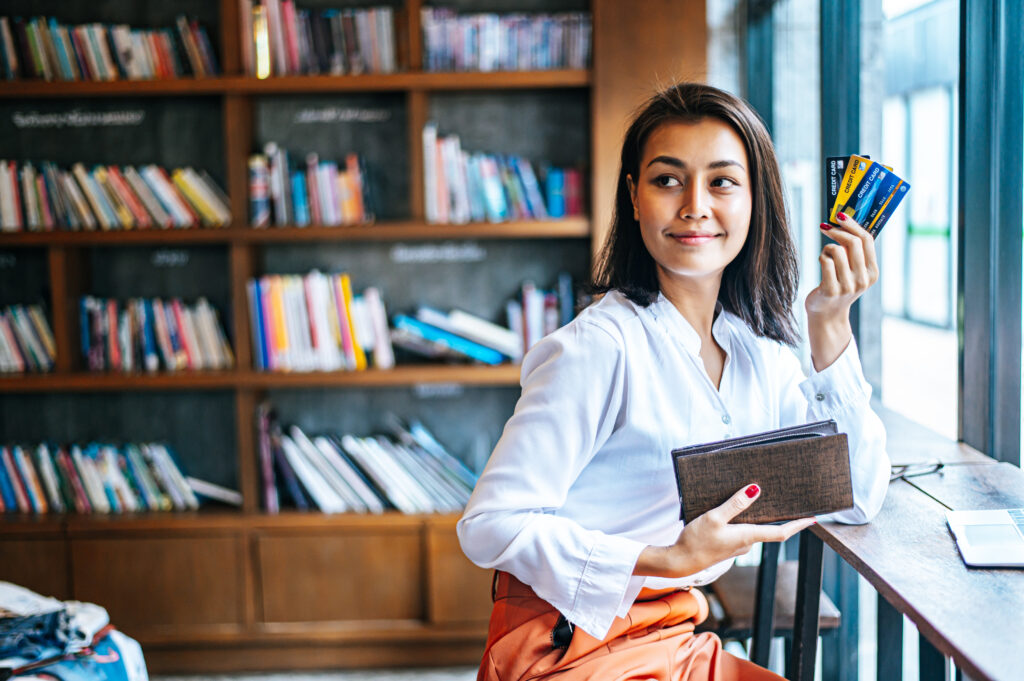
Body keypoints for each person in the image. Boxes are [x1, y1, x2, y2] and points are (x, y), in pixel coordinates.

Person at [457, 82, 890, 681]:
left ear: (755, 201)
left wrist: (830, 322)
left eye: (721, 181)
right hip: (565, 643)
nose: (694, 206)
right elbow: (487, 525)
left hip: (674, 636)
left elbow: (857, 493)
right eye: (667, 180)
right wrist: (669, 557)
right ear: (634, 198)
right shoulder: (599, 347)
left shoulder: (758, 351)